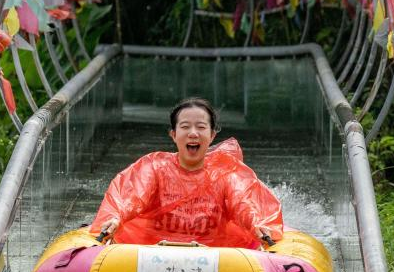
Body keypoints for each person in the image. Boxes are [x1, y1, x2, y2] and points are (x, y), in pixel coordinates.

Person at [89, 97, 284, 248]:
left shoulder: (225, 172)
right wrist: (117, 217)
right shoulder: (155, 167)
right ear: (173, 134)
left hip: (216, 254)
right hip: (151, 250)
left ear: (212, 135)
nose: (193, 133)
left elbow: (243, 202)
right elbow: (132, 197)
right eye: (185, 127)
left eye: (201, 127)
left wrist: (255, 223)